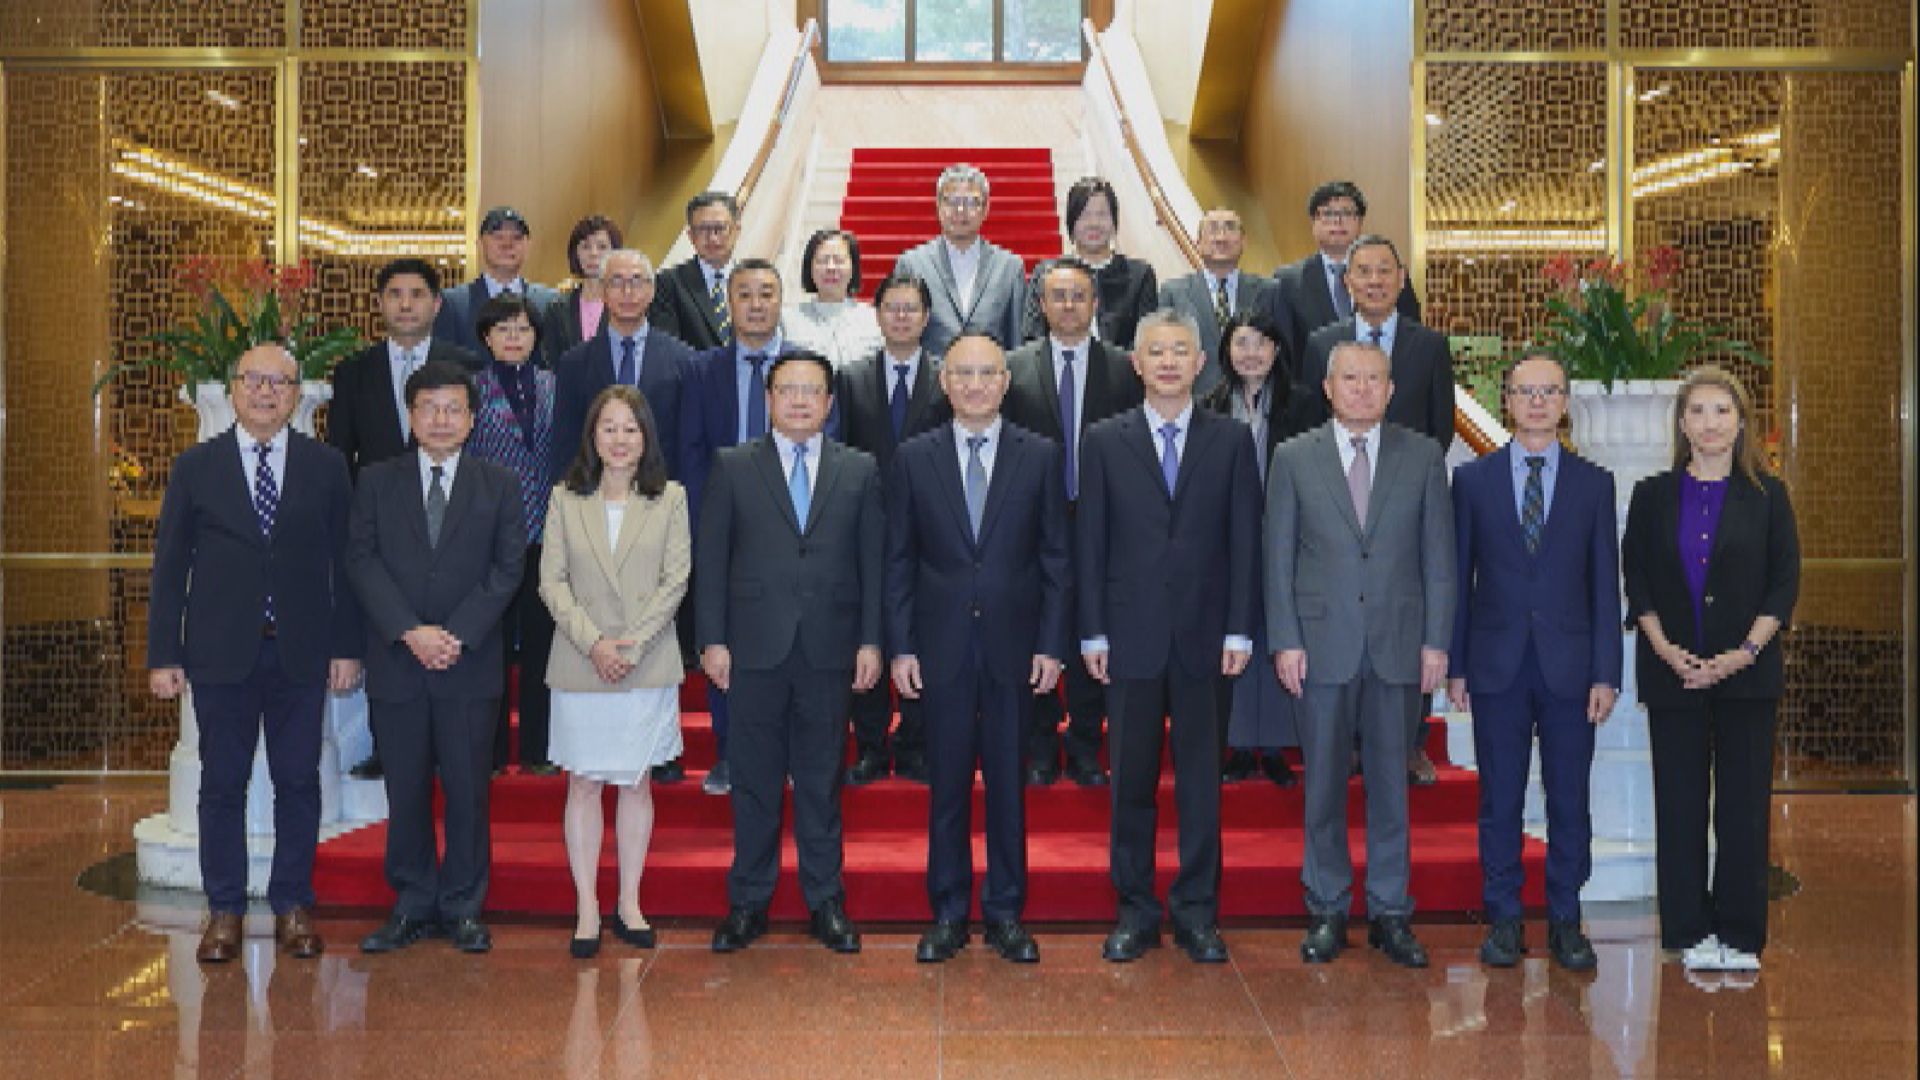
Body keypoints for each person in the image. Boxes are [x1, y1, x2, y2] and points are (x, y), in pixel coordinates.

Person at [148, 344, 362, 964]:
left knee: (299, 783)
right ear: (234, 389)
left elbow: (344, 565)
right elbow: (170, 567)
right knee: (221, 785)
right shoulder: (196, 466)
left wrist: (347, 647)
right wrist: (164, 653)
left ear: (296, 396)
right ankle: (224, 913)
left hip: (301, 654)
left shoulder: (326, 467)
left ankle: (293, 905)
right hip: (219, 656)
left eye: (280, 383)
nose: (266, 392)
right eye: (254, 381)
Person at [1078, 309, 1261, 965]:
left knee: (1200, 784)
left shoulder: (1231, 440)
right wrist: (1092, 631)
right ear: (1136, 363)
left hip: (1206, 637)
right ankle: (1134, 910)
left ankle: (1196, 913)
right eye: (1155, 351)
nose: (1167, 362)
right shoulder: (1103, 440)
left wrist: (1242, 626)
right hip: (1128, 637)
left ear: (1200, 362)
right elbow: (1090, 542)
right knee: (1129, 782)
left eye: (1180, 351)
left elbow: (1245, 539)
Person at [1267, 341, 1455, 970]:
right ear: (1328, 387)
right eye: (1350, 378)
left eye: (1374, 379)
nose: (1362, 389)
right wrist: (1285, 639)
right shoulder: (1294, 458)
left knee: (1390, 787)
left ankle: (1390, 912)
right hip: (1320, 646)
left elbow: (1439, 558)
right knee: (1321, 785)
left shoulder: (1424, 456)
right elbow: (1279, 558)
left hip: (1400, 645)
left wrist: (1437, 641)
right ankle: (1325, 907)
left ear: (1391, 389)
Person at [886, 334, 1068, 965]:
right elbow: (900, 560)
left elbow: (1054, 558)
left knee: (1009, 787)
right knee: (947, 786)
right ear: (944, 383)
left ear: (1005, 381)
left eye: (987, 372)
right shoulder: (913, 457)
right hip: (940, 649)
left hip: (1016, 648)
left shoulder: (1040, 455)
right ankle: (947, 912)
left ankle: (1006, 912)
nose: (974, 384)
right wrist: (901, 648)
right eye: (961, 373)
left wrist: (1052, 646)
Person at [697, 351, 885, 956]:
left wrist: (871, 640)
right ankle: (748, 902)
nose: (800, 401)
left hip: (830, 648)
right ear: (769, 399)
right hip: (752, 648)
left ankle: (825, 900)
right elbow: (713, 560)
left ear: (830, 404)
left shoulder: (858, 469)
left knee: (820, 781)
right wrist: (712, 639)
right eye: (788, 390)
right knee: (753, 781)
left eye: (812, 392)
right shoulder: (733, 466)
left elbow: (872, 564)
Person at [1447, 351, 1620, 972]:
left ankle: (1567, 919)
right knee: (1500, 797)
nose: (1538, 402)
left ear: (1566, 402)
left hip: (1572, 669)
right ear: (1508, 401)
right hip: (1495, 665)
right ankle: (1503, 918)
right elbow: (1459, 577)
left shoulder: (1594, 484)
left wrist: (1607, 672)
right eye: (1526, 391)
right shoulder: (1472, 482)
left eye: (1550, 391)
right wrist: (1457, 664)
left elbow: (1606, 585)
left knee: (1569, 796)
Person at [1622, 366, 1799, 974]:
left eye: (1722, 411)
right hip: (1673, 672)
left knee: (1744, 808)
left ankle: (1741, 933)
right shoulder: (1652, 496)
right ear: (1681, 424)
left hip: (1747, 675)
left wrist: (1743, 653)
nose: (1710, 423)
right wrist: (1666, 649)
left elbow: (1783, 585)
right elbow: (1637, 579)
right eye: (1697, 411)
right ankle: (1688, 929)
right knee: (1680, 805)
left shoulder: (1769, 496)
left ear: (1741, 421)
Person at [349, 360, 527, 956]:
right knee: (405, 789)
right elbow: (362, 561)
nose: (442, 419)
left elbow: (507, 571)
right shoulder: (375, 481)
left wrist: (455, 634)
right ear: (411, 415)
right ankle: (411, 902)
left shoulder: (499, 483)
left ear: (472, 418)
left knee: (468, 790)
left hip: (468, 664)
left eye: (454, 408)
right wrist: (408, 631)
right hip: (399, 662)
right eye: (430, 407)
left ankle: (463, 906)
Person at [1297, 235, 1457, 785]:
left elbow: (1440, 427)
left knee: (1401, 628)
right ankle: (1347, 747)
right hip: (1340, 504)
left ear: (1401, 276)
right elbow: (1306, 426)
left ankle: (1409, 746)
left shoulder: (1429, 345)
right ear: (1347, 281)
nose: (1373, 280)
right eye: (1361, 271)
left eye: (1384, 271)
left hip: (1403, 505)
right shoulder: (1322, 343)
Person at [540, 385, 691, 959]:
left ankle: (629, 900)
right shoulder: (564, 498)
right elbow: (551, 581)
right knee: (582, 783)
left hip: (646, 662)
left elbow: (675, 580)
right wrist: (596, 643)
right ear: (592, 436)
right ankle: (586, 906)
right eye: (609, 428)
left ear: (646, 436)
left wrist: (630, 644)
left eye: (631, 428)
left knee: (635, 781)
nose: (620, 439)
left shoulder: (669, 498)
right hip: (581, 662)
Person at [327, 257, 481, 780]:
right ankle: (384, 743)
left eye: (418, 294)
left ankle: (451, 744)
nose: (407, 303)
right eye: (395, 294)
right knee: (389, 635)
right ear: (380, 304)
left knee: (446, 627)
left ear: (437, 304)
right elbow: (340, 455)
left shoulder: (467, 364)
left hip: (451, 525)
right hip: (382, 532)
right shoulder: (353, 372)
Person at [1002, 257, 1144, 786]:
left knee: (1093, 629)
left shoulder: (1124, 369)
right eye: (1057, 296)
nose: (1068, 305)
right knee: (1035, 631)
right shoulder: (1013, 368)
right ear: (1041, 304)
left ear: (1095, 303)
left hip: (1102, 521)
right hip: (1030, 524)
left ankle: (1085, 744)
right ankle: (1040, 746)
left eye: (1078, 296)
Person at [678, 257, 805, 793]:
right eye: (745, 294)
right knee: (724, 640)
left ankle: (794, 755)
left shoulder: (807, 369)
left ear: (781, 302)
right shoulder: (701, 369)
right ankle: (731, 753)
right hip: (724, 528)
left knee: (794, 641)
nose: (756, 304)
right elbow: (689, 451)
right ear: (729, 305)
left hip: (794, 527)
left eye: (766, 294)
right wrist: (707, 523)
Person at [833, 271, 951, 784]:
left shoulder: (948, 376)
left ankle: (919, 741)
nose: (902, 317)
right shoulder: (851, 376)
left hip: (932, 528)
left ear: (926, 318)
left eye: (911, 309)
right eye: (892, 308)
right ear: (877, 315)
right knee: (871, 631)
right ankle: (873, 744)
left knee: (924, 631)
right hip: (867, 525)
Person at [1199, 310, 1317, 788]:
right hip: (1226, 538)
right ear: (1227, 349)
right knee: (1235, 636)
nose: (1251, 353)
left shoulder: (1303, 405)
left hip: (1286, 532)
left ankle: (1273, 746)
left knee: (1277, 635)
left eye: (1261, 344)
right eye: (1242, 343)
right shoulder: (1208, 403)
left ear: (1277, 351)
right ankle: (1239, 744)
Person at [467, 294, 558, 775]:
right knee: (492, 647)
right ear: (486, 337)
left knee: (544, 645)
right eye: (503, 330)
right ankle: (495, 751)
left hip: (547, 532)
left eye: (523, 329)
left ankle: (538, 750)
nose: (514, 338)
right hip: (490, 537)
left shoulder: (554, 386)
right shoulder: (472, 392)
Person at [550, 249, 697, 487]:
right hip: (594, 497)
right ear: (602, 292)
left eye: (637, 282)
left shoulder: (684, 360)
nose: (628, 292)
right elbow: (565, 445)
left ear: (651, 291)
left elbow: (688, 445)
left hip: (660, 498)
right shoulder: (574, 363)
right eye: (616, 282)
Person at [1271, 180, 1422, 364]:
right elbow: (1284, 353)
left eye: (1346, 213)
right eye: (1328, 213)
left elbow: (1413, 340)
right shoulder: (1287, 282)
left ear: (1360, 222)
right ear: (1313, 223)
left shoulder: (1391, 276)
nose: (1337, 221)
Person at [890, 163, 1026, 355]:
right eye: (952, 201)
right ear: (938, 206)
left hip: (989, 381)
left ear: (986, 209)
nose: (961, 210)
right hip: (930, 382)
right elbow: (902, 336)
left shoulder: (1010, 267)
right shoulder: (912, 264)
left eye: (971, 202)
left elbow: (1017, 343)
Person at [1020, 177, 1159, 348]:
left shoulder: (1140, 276)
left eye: (1102, 214)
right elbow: (1033, 337)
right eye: (1085, 215)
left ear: (1114, 222)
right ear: (1071, 222)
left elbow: (1146, 341)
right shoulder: (1047, 273)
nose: (1094, 224)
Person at [1156, 208, 1278, 398]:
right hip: (1195, 405)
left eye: (1230, 228)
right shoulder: (1173, 293)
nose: (1221, 238)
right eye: (1212, 230)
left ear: (1244, 241)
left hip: (1257, 406)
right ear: (1198, 243)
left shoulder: (1269, 291)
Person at [434, 206, 562, 366]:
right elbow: (444, 366)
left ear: (528, 246)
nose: (507, 245)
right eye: (498, 237)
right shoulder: (454, 303)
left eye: (516, 238)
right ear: (480, 244)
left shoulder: (550, 302)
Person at [649, 191, 740, 352]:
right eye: (703, 229)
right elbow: (668, 350)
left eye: (719, 228)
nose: (712, 238)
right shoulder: (668, 283)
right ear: (690, 236)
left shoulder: (754, 280)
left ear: (736, 230)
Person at [783, 228, 883, 370]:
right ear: (809, 267)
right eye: (822, 260)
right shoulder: (788, 320)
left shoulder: (874, 320)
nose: (830, 268)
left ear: (853, 267)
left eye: (839, 260)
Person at [546, 214, 623, 357]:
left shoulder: (628, 304)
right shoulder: (558, 309)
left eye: (602, 247)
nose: (593, 254)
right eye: (586, 247)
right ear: (576, 254)